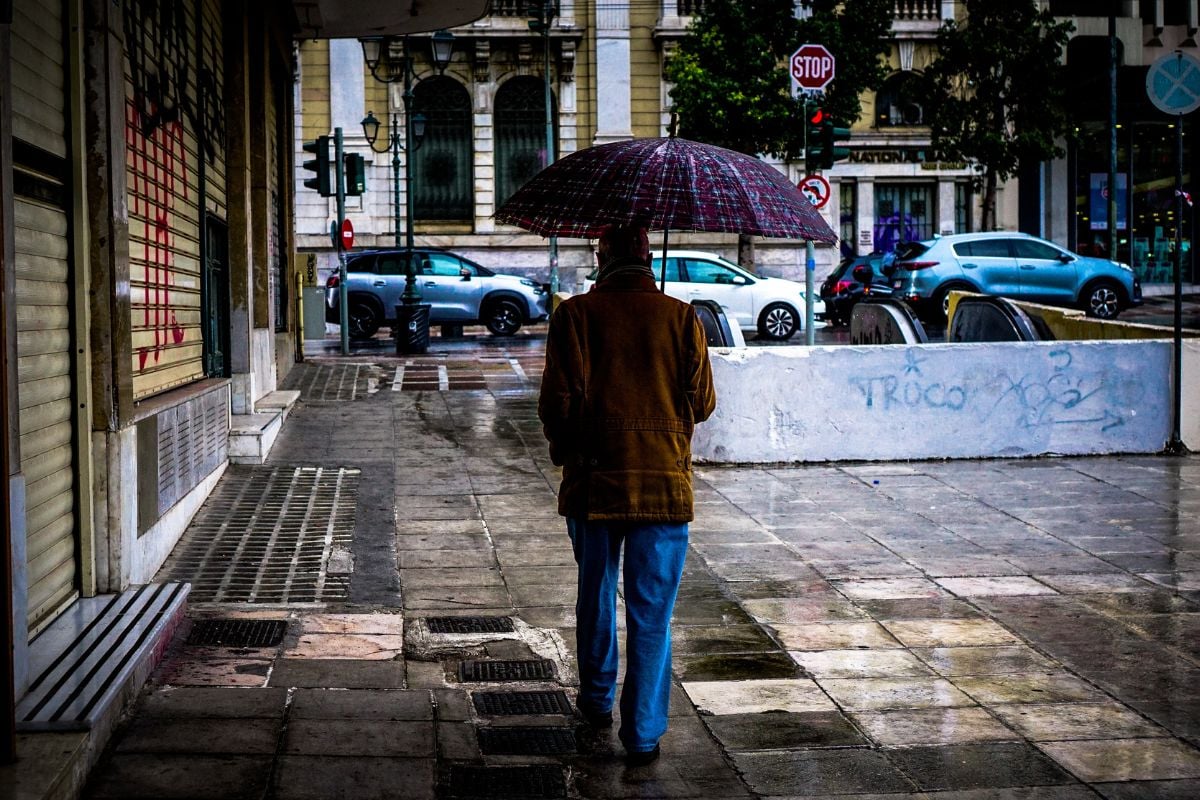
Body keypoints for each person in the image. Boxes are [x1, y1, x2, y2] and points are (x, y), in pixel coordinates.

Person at [537, 224, 717, 766]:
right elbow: (703, 403)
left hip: (594, 483)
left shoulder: (574, 317)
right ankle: (641, 733)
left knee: (595, 593)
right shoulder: (682, 318)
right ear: (647, 257)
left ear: (604, 255)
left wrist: (573, 449)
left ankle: (595, 700)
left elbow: (555, 406)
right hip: (663, 484)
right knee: (652, 610)